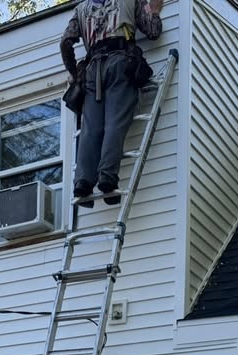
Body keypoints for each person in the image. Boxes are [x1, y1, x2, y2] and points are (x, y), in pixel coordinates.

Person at [60, 0, 163, 207]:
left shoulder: (81, 8)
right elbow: (153, 32)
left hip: (92, 69)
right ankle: (107, 176)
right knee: (115, 122)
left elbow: (65, 42)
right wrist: (154, 11)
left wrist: (73, 72)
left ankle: (83, 181)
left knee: (91, 128)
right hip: (120, 62)